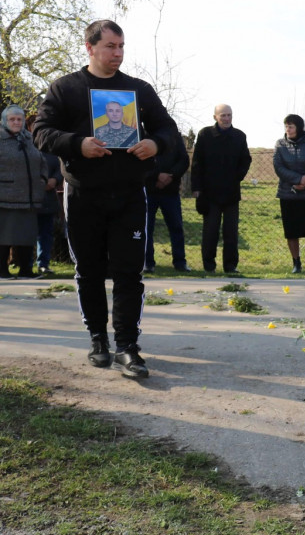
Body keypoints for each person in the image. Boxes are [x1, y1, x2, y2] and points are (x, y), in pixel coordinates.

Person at [33, 19, 177, 379]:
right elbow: (42, 132)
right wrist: (77, 144)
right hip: (84, 195)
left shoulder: (138, 90)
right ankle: (98, 339)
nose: (118, 54)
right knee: (90, 271)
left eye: (122, 46)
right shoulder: (66, 88)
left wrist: (155, 144)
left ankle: (128, 346)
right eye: (111, 46)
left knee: (129, 272)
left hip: (129, 195)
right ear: (90, 47)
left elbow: (167, 129)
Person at [191, 104, 252, 273]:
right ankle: (209, 265)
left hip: (231, 192)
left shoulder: (239, 136)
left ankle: (230, 266)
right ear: (215, 117)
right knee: (210, 231)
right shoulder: (205, 135)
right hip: (209, 193)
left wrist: (237, 176)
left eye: (229, 115)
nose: (226, 119)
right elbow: (197, 163)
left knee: (231, 232)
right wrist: (196, 188)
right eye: (223, 115)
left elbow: (246, 160)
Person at [273, 114, 305, 273]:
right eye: (286, 126)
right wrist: (296, 179)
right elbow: (278, 167)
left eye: (291, 126)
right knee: (292, 231)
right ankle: (296, 263)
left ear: (299, 128)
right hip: (288, 194)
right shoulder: (280, 145)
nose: (288, 129)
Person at [0, 105, 47, 278]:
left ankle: (26, 270)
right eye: (12, 119)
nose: (16, 122)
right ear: (5, 121)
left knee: (26, 236)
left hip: (29, 197)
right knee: (4, 236)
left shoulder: (30, 138)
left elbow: (42, 161)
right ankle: (1, 270)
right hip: (5, 196)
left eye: (19, 119)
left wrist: (42, 179)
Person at [144, 129, 190, 273]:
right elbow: (139, 161)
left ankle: (180, 262)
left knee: (176, 227)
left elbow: (184, 160)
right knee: (146, 228)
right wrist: (157, 176)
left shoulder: (174, 136)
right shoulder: (143, 135)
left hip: (170, 191)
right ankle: (147, 263)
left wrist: (170, 176)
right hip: (149, 190)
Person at [26, 115, 62, 275]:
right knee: (26, 233)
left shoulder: (51, 145)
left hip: (48, 198)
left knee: (45, 234)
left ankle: (43, 263)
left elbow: (61, 165)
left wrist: (55, 179)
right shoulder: (24, 145)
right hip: (28, 198)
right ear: (29, 127)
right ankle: (25, 264)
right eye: (34, 125)